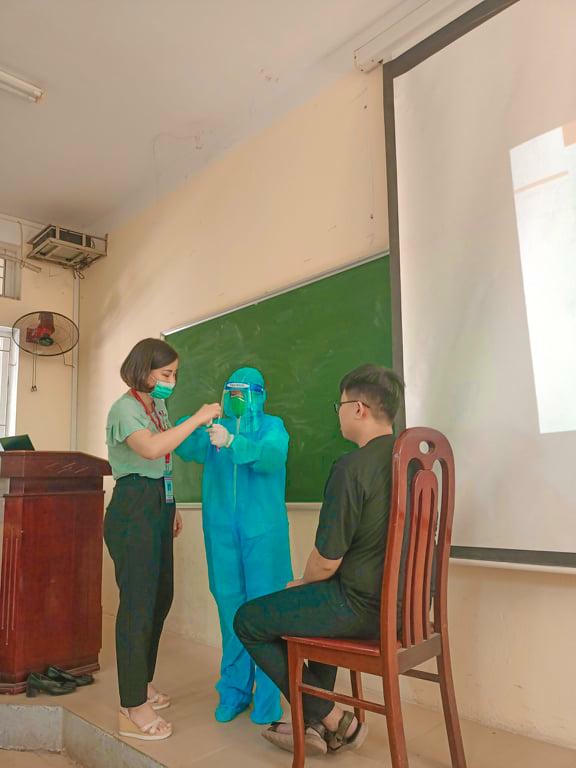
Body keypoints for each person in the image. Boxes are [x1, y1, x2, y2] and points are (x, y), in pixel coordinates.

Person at [233, 363, 405, 756]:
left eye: (339, 406)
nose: (338, 414)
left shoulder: (352, 467)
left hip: (361, 609)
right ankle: (313, 724)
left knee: (249, 620)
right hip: (404, 610)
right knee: (317, 603)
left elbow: (327, 560)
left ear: (358, 408)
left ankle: (332, 717)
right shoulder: (412, 463)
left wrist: (303, 583)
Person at [104, 338, 220, 741]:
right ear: (144, 370)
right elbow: (152, 449)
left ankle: (143, 681)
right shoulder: (125, 409)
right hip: (133, 505)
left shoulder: (157, 405)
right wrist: (197, 418)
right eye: (166, 374)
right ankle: (131, 705)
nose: (172, 381)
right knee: (137, 605)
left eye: (175, 374)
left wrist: (171, 505)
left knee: (160, 597)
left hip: (157, 502)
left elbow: (166, 462)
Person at [174, 366, 293, 725]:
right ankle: (235, 691)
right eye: (233, 393)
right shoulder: (214, 429)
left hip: (264, 536)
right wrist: (198, 419)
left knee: (266, 613)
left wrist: (233, 443)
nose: (238, 400)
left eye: (245, 393)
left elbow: (271, 458)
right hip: (222, 533)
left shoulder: (272, 427)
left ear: (260, 395)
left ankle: (269, 699)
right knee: (231, 613)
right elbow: (181, 442)